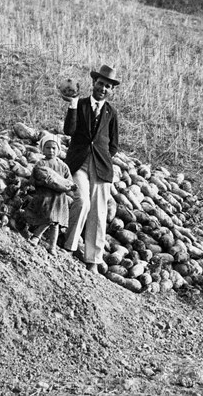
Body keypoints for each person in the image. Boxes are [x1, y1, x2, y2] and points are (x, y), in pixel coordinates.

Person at [61, 65, 120, 274]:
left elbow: (114, 144)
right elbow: (68, 130)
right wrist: (73, 105)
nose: (103, 89)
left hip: (101, 167)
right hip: (79, 163)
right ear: (93, 83)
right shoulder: (81, 104)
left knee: (99, 211)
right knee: (82, 201)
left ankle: (92, 260)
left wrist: (103, 157)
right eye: (101, 84)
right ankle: (69, 247)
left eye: (108, 87)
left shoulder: (111, 112)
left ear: (111, 90)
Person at [25, 134, 76, 254]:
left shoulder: (63, 166)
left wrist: (69, 186)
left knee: (55, 223)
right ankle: (36, 237)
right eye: (48, 148)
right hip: (46, 197)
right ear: (43, 149)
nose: (51, 150)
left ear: (58, 150)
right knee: (51, 219)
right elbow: (34, 179)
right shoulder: (41, 164)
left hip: (59, 199)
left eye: (54, 148)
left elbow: (68, 182)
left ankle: (51, 245)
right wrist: (43, 182)